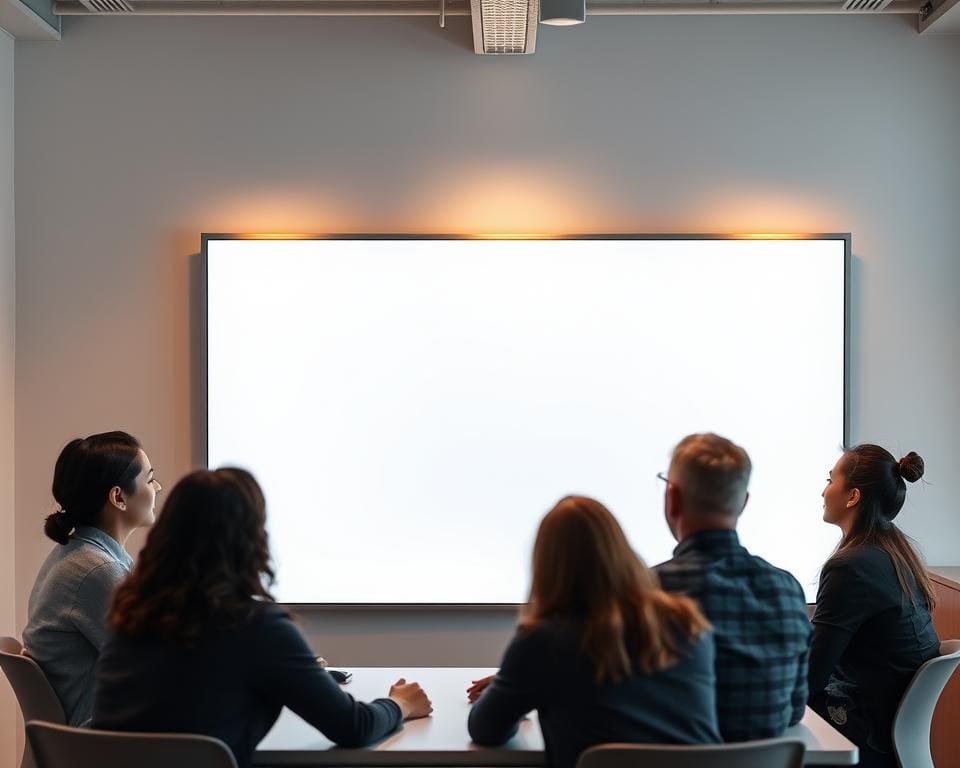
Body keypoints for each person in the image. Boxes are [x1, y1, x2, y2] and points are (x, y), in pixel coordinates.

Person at [93, 468, 431, 768]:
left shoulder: (129, 615)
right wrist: (400, 704)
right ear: (251, 539)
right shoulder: (257, 627)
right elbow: (353, 727)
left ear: (167, 534)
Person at [468, 495, 719, 768]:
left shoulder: (543, 641)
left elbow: (485, 730)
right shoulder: (688, 623)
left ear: (547, 564)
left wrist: (517, 688)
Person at [654, 433, 811, 742]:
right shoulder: (788, 591)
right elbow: (794, 711)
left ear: (672, 498)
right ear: (743, 503)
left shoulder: (647, 591)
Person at [809, 444, 939, 768]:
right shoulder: (897, 555)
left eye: (830, 480)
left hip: (862, 734)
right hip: (888, 735)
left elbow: (811, 677)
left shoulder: (850, 567)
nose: (823, 491)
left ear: (853, 496)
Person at [23, 431, 161, 726]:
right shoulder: (96, 570)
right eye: (150, 479)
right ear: (118, 497)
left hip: (85, 734)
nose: (157, 487)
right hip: (101, 738)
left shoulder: (76, 553)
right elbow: (153, 664)